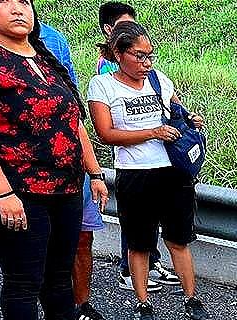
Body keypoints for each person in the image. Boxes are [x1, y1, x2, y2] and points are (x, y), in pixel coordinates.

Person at [0, 0, 116, 320]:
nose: (18, 9)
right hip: (15, 188)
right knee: (23, 277)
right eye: (5, 1)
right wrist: (2, 192)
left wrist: (95, 172)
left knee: (59, 271)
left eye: (25, 2)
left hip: (64, 185)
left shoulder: (45, 55)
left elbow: (73, 121)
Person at [87, 21, 210, 320]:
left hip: (172, 171)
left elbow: (175, 109)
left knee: (178, 239)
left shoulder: (158, 79)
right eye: (139, 56)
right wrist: (152, 132)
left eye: (150, 56)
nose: (146, 64)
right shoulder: (102, 86)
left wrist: (189, 118)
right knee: (139, 243)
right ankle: (143, 303)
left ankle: (191, 298)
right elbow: (105, 134)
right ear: (118, 53)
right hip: (134, 173)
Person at [96, 1, 179, 293]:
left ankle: (151, 264)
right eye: (122, 27)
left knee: (158, 229)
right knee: (136, 232)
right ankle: (131, 272)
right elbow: (107, 131)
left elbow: (171, 102)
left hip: (163, 166)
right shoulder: (106, 74)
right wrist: (153, 131)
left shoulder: (150, 72)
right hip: (133, 166)